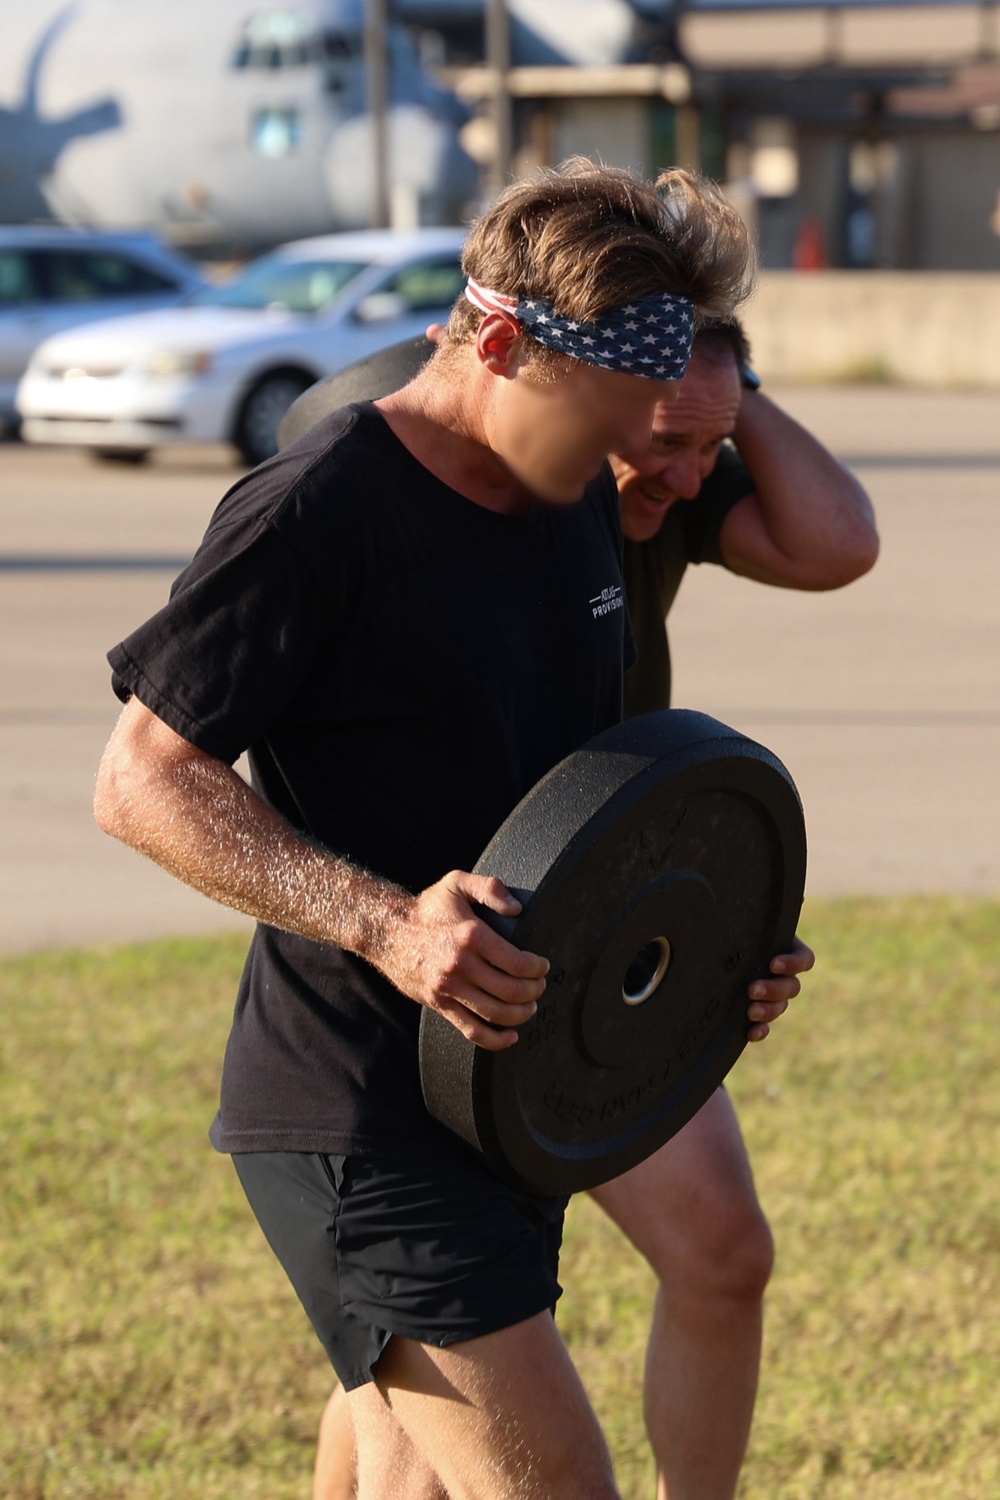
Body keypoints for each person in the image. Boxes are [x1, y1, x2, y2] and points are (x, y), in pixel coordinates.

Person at [93, 158, 803, 1500]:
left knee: (400, 1478)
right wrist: (389, 925)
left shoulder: (573, 492)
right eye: (601, 407)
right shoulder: (320, 509)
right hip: (361, 1107)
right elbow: (142, 780)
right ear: (494, 340)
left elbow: (577, 804)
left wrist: (718, 953)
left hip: (514, 1085)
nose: (623, 450)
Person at [292, 319, 874, 1499]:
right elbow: (153, 772)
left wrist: (715, 378)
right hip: (413, 987)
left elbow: (836, 543)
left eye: (708, 449)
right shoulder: (469, 500)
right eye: (657, 437)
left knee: (715, 1248)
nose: (686, 473)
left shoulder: (660, 500)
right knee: (408, 1361)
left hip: (582, 954)